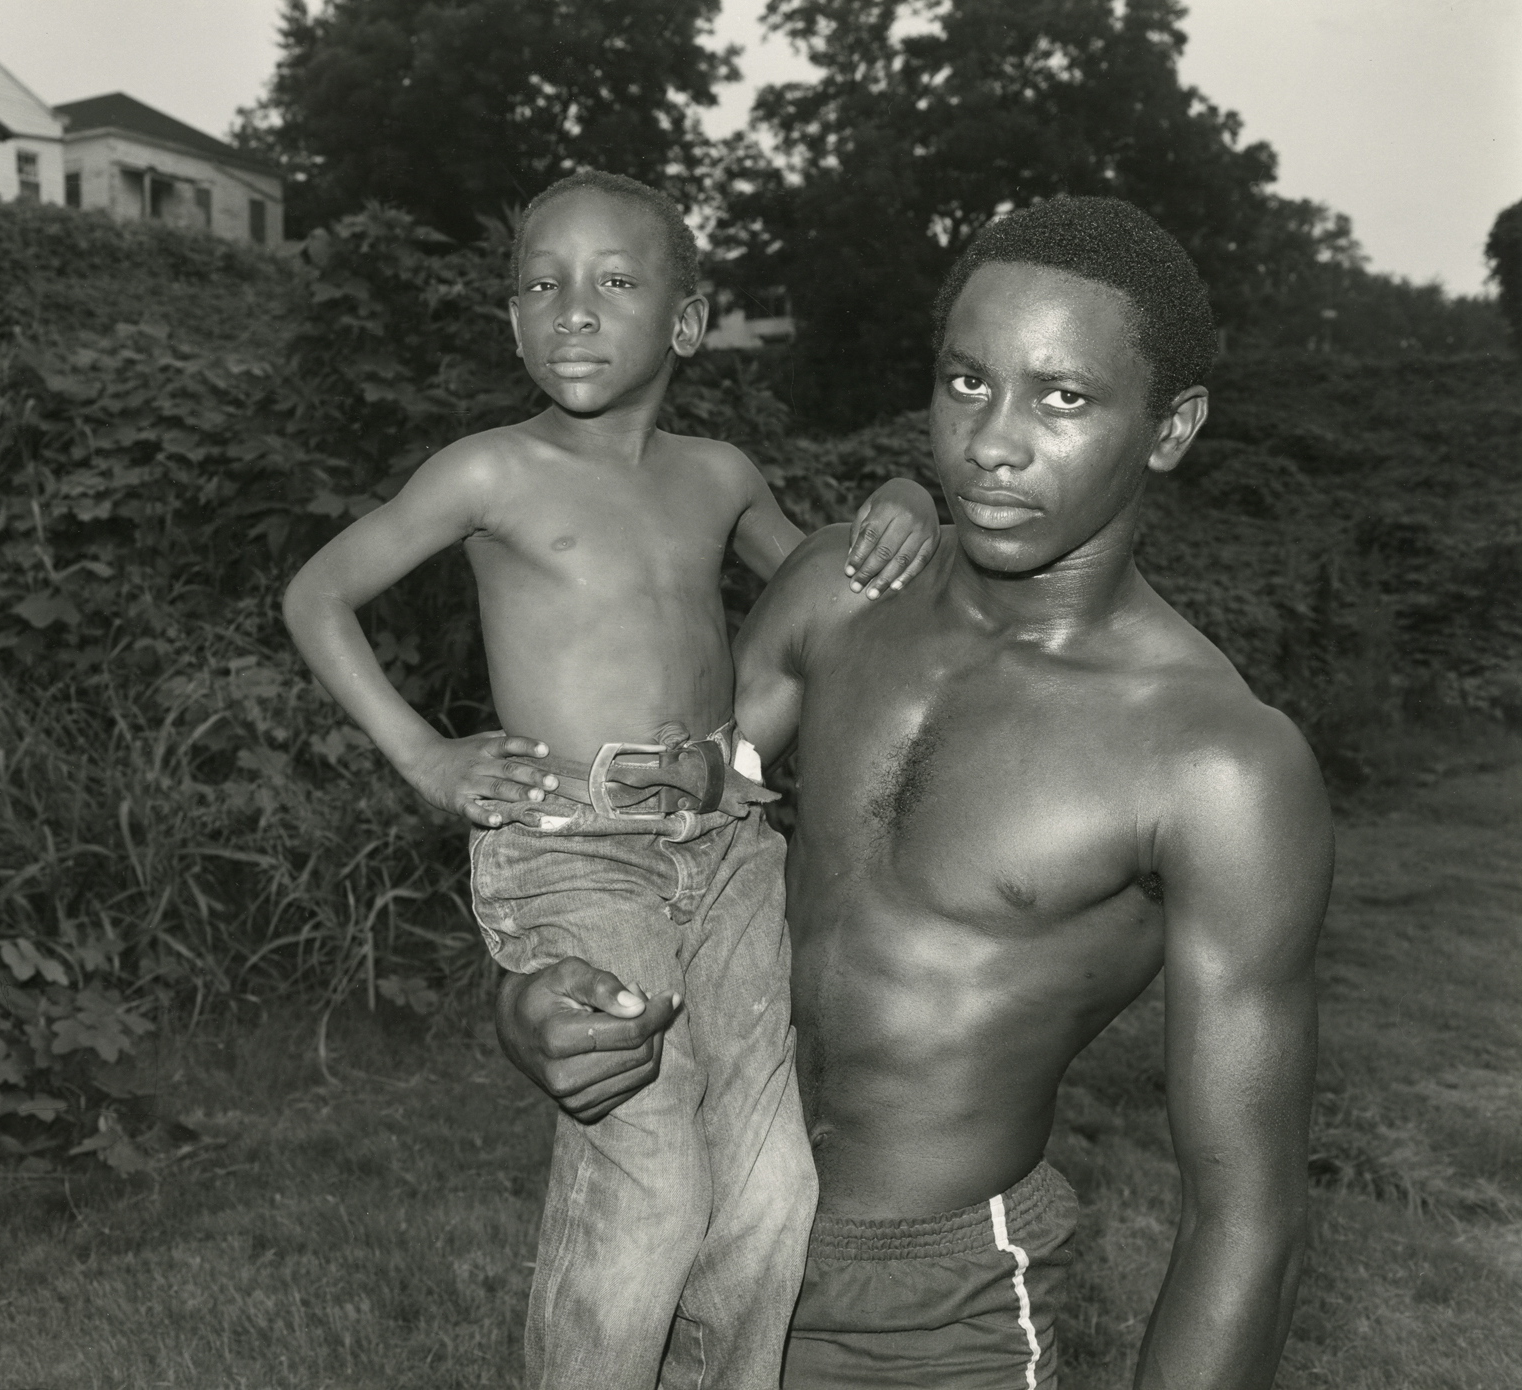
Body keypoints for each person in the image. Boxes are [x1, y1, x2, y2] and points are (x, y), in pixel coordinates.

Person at [498, 196, 1336, 1390]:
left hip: (931, 1320)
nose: (992, 443)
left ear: (1169, 427)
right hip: (702, 1245)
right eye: (964, 382)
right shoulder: (836, 597)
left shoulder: (1217, 764)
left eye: (1063, 398)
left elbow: (1247, 1222)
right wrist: (529, 1004)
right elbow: (645, 841)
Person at [282, 169, 943, 1390]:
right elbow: (317, 592)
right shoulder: (490, 472)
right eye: (541, 285)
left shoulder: (719, 474)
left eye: (614, 282)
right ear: (512, 322)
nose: (571, 309)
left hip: (729, 845)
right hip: (572, 842)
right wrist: (424, 753)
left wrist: (899, 502)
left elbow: (825, 594)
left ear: (686, 324)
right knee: (647, 1187)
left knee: (772, 1190)